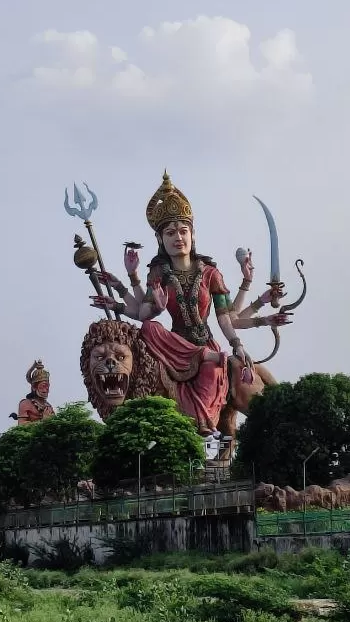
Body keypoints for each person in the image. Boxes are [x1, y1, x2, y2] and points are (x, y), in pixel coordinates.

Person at [91, 172, 289, 434]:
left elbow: (225, 317)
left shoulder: (210, 273)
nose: (178, 237)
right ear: (161, 240)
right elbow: (142, 313)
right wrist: (133, 298)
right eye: (170, 232)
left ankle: (201, 421)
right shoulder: (158, 273)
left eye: (183, 231)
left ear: (192, 234)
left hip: (206, 345)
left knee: (211, 367)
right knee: (150, 328)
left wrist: (237, 344)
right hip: (173, 346)